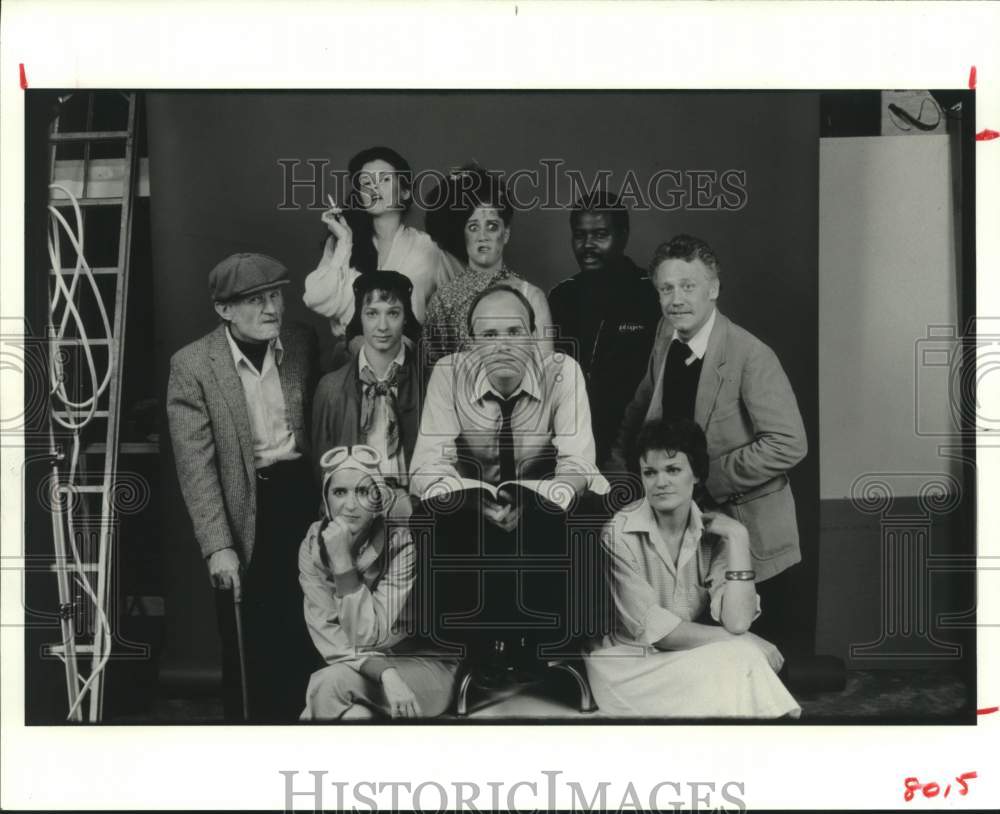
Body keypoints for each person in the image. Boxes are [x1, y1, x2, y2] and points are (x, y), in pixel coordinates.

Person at [606, 234, 808, 649]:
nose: (676, 299)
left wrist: (703, 478)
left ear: (713, 289)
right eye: (666, 288)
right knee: (693, 656)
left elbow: (789, 443)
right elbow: (638, 413)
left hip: (749, 533)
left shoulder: (752, 355)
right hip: (685, 533)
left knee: (753, 663)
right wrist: (616, 479)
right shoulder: (666, 336)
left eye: (688, 286)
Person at [410, 284, 605, 677]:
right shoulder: (449, 374)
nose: (503, 346)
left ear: (533, 335)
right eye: (490, 335)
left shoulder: (562, 371)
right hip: (476, 502)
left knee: (580, 513)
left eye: (514, 332)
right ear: (472, 342)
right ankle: (471, 648)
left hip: (542, 500)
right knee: (429, 516)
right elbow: (426, 466)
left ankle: (554, 648)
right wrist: (469, 500)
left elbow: (578, 461)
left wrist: (538, 501)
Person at [166, 253, 318, 722]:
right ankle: (253, 741)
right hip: (245, 503)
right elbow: (196, 465)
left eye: (275, 296)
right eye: (256, 300)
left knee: (310, 618)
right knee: (251, 629)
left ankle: (310, 729)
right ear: (224, 309)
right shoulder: (193, 365)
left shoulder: (300, 342)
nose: (272, 308)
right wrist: (217, 546)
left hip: (302, 496)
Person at [586, 419, 800, 718]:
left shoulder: (718, 532)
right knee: (741, 656)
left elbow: (737, 621)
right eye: (650, 473)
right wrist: (746, 641)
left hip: (686, 659)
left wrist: (739, 538)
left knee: (737, 662)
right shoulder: (619, 533)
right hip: (628, 668)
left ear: (696, 475)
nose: (660, 483)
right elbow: (660, 633)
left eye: (673, 470)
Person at [299, 446, 459, 719]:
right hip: (366, 672)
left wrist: (343, 565)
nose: (350, 505)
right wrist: (385, 673)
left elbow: (368, 635)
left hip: (425, 665)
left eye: (362, 492)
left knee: (326, 685)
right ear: (326, 500)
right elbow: (330, 640)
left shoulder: (401, 543)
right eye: (340, 492)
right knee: (355, 717)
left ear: (378, 502)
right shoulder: (313, 546)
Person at [548, 191, 660, 463]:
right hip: (570, 445)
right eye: (579, 235)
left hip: (639, 447)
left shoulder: (653, 294)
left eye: (600, 234)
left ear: (623, 236)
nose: (588, 245)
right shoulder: (560, 297)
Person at [303, 145, 454, 338]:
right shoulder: (342, 242)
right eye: (365, 182)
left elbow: (455, 307)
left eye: (384, 179)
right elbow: (316, 299)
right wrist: (345, 243)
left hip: (411, 357)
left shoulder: (428, 248)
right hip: (352, 356)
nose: (373, 187)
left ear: (405, 192)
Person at [422, 164, 554, 366]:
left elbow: (546, 369)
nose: (483, 237)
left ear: (506, 233)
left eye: (492, 226)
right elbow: (433, 371)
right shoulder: (443, 300)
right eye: (473, 227)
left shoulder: (531, 295)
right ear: (463, 234)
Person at [311, 271, 423, 491]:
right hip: (355, 506)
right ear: (359, 317)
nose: (382, 326)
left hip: (414, 505)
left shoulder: (428, 383)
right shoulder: (330, 388)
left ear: (406, 317)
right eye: (372, 313)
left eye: (393, 313)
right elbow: (322, 470)